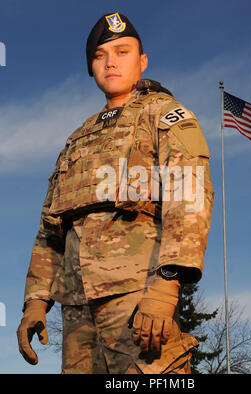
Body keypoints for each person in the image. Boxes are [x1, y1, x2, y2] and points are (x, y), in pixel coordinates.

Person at [17, 12, 214, 374]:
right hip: (77, 311)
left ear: (142, 62)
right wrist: (36, 301)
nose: (110, 62)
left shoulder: (164, 115)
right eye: (100, 55)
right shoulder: (77, 138)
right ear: (91, 67)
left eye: (122, 51)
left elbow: (189, 192)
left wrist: (167, 284)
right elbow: (50, 231)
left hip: (139, 296)